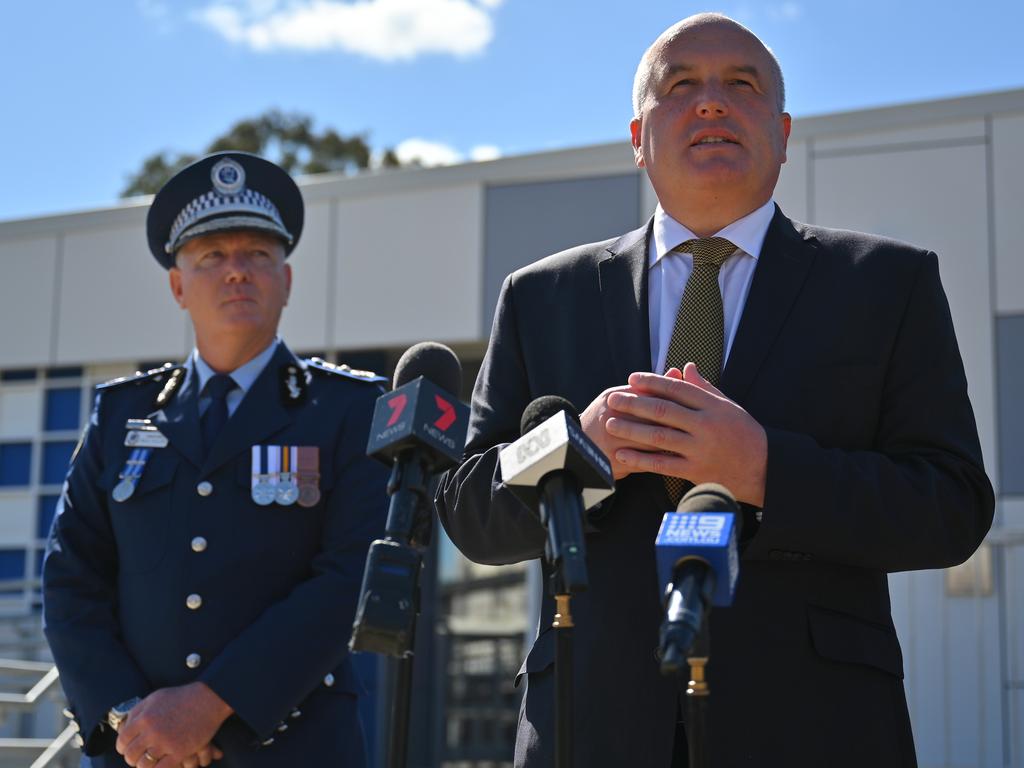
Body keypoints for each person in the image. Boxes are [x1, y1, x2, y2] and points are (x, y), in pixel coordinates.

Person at [436, 13, 994, 768]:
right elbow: (472, 509)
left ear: (784, 131)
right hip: (591, 726)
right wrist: (575, 449)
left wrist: (766, 470)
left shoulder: (886, 286)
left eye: (742, 83)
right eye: (681, 85)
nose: (710, 102)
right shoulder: (542, 297)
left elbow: (951, 505)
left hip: (816, 728)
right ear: (638, 137)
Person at [43, 151, 390, 768]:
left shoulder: (349, 410)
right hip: (139, 754)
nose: (237, 272)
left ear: (287, 279)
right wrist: (130, 717)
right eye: (212, 256)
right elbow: (72, 581)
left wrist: (210, 707)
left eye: (258, 254)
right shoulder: (122, 417)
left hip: (294, 750)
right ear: (178, 286)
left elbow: (348, 582)